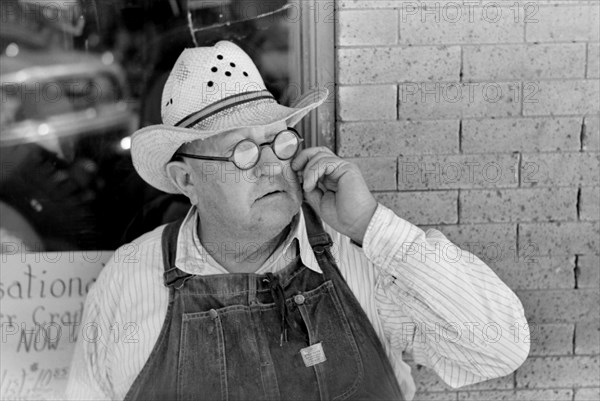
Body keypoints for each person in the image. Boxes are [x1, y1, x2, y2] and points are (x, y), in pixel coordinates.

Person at [66, 41, 529, 401]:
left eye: (279, 140)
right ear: (186, 178)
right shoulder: (129, 282)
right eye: (242, 151)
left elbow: (500, 348)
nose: (271, 165)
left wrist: (371, 224)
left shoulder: (358, 256)